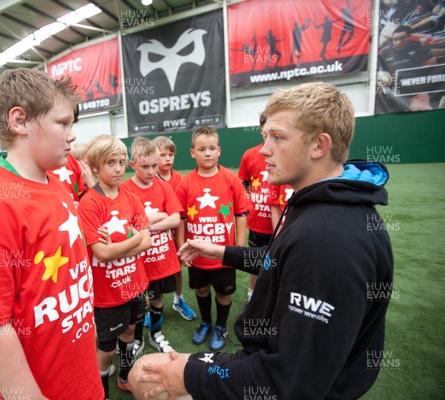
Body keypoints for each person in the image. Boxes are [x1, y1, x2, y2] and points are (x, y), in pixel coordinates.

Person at [128, 82, 394, 400]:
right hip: (267, 362)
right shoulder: (324, 202)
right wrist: (224, 251)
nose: (264, 149)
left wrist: (187, 374)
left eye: (277, 137)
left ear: (320, 145)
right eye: (265, 136)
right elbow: (282, 259)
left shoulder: (328, 239)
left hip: (277, 380)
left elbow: (287, 382)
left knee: (144, 375)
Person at [0, 68, 103, 399]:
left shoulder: (58, 187)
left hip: (82, 381)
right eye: (62, 123)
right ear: (20, 122)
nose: (72, 134)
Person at [77, 134, 151, 397]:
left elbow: (148, 241)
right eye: (111, 162)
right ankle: (101, 391)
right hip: (107, 294)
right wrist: (133, 238)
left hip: (136, 284)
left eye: (122, 162)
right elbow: (102, 253)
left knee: (130, 331)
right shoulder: (89, 203)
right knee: (106, 349)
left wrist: (127, 242)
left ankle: (124, 376)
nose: (119, 168)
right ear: (95, 167)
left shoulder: (131, 197)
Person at [174, 126, 248, 352]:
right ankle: (206, 322)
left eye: (212, 148)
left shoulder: (231, 179)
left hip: (224, 253)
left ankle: (221, 327)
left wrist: (239, 248)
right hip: (198, 255)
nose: (207, 153)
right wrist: (181, 246)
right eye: (202, 149)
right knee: (202, 289)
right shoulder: (185, 183)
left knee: (224, 292)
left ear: (219, 151)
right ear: (192, 153)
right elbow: (181, 218)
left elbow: (241, 213)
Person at [122, 137, 183, 355]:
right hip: (137, 263)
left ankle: (155, 334)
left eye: (154, 166)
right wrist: (159, 216)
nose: (150, 171)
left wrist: (146, 225)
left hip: (162, 260)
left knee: (157, 300)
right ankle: (136, 338)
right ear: (133, 165)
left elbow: (175, 219)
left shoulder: (164, 187)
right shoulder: (124, 190)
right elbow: (127, 226)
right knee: (138, 304)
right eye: (145, 166)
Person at [152, 135, 197, 322]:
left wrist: (180, 240)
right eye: (162, 155)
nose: (168, 159)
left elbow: (182, 215)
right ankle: (153, 307)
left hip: (176, 231)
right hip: (156, 236)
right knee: (154, 271)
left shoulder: (181, 179)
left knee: (177, 267)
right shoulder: (149, 179)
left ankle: (178, 300)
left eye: (170, 154)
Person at [237, 114, 274, 301]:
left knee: (278, 263)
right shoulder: (250, 155)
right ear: (261, 130)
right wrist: (252, 198)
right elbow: (243, 184)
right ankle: (252, 296)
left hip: (281, 226)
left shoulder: (286, 154)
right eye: (266, 129)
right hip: (257, 223)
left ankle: (275, 299)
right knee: (255, 264)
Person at [377, 24, 437, 112]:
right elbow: (377, 74)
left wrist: (418, 74)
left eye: (402, 39)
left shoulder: (417, 47)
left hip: (414, 86)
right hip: (393, 90)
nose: (398, 42)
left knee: (424, 108)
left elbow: (432, 62)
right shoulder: (384, 52)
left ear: (409, 38)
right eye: (395, 40)